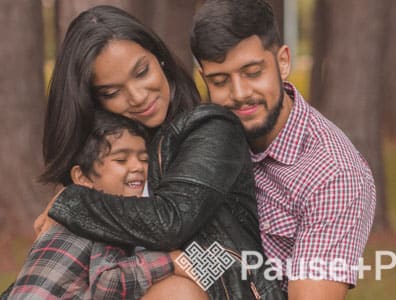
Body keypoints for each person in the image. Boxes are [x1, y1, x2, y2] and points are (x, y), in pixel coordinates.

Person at [37, 5, 284, 300]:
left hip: (228, 280)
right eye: (112, 92)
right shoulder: (105, 162)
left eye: (142, 72)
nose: (138, 97)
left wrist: (71, 201)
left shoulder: (212, 127)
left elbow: (171, 223)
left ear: (160, 59)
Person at [190, 0, 376, 299]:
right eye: (221, 80)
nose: (239, 94)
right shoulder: (206, 137)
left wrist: (181, 266)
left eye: (252, 72)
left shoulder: (333, 175)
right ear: (204, 79)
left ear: (283, 62)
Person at [1, 111, 205, 299]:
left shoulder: (64, 222)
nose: (137, 167)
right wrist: (170, 261)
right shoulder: (99, 220)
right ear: (81, 177)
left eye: (144, 159)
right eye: (121, 160)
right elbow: (106, 285)